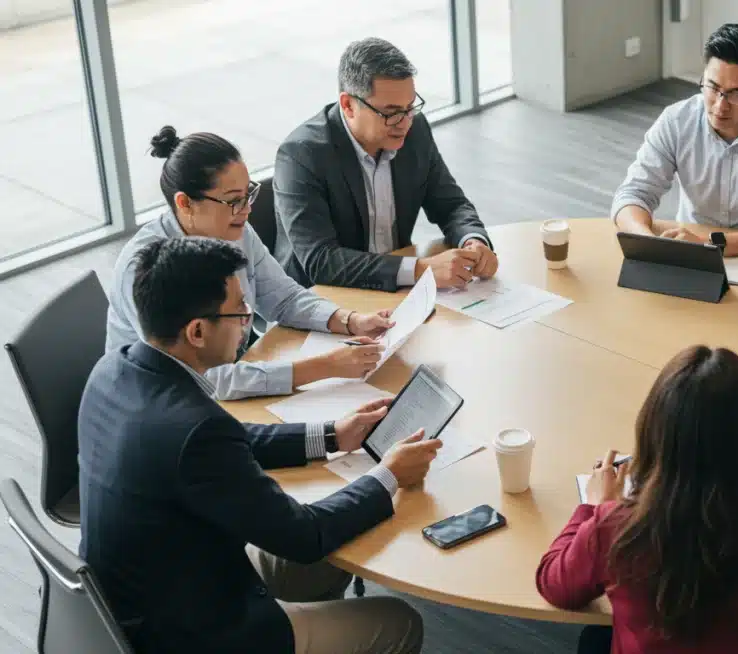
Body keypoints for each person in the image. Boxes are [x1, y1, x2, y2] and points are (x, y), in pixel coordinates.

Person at [80, 237, 442, 654]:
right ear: (197, 331)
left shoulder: (113, 370)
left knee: (333, 546)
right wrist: (388, 476)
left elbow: (234, 440)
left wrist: (332, 434)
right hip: (190, 635)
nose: (248, 321)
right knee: (399, 623)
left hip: (151, 593)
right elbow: (304, 536)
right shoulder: (196, 432)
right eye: (239, 312)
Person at [536, 346, 738, 654]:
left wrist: (592, 508)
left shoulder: (617, 527)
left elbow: (554, 586)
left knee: (593, 639)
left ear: (653, 434)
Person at [106, 126, 395, 401]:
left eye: (248, 195)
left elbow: (284, 299)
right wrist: (324, 367)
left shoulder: (234, 228)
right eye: (234, 200)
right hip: (164, 403)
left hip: (237, 369)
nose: (247, 210)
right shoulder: (146, 269)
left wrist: (349, 320)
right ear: (185, 203)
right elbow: (207, 379)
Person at [274, 36, 496, 291]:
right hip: (320, 301)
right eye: (390, 113)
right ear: (348, 105)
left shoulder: (415, 130)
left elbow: (451, 205)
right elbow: (321, 261)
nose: (404, 122)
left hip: (395, 288)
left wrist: (473, 241)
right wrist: (420, 270)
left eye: (410, 107)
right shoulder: (301, 154)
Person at [611, 24, 738, 256]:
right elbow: (633, 194)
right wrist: (645, 240)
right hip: (690, 250)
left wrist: (710, 244)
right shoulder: (676, 120)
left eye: (737, 94)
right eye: (712, 87)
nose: (720, 106)